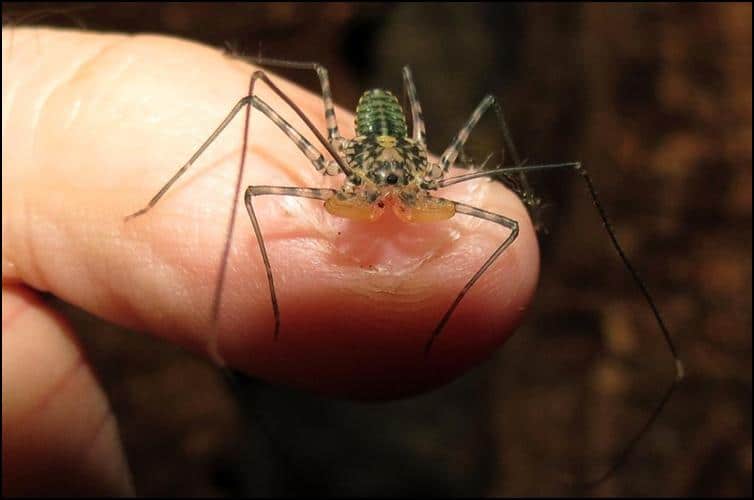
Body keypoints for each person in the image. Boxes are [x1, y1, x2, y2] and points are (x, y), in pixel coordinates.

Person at [2, 27, 538, 495]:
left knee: (494, 170)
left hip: (402, 145)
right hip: (367, 146)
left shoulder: (425, 172)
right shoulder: (340, 162)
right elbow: (255, 174)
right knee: (262, 106)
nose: (389, 203)